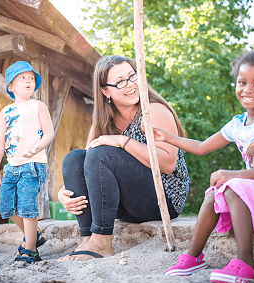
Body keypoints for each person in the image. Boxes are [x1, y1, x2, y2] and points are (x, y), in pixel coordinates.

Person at [153, 51, 254, 283]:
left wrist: (233, 175)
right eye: (242, 82)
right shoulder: (237, 124)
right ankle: (193, 256)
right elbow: (201, 146)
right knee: (214, 192)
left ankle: (246, 263)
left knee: (231, 184)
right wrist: (167, 137)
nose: (248, 89)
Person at [58, 55, 190, 261]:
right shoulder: (104, 120)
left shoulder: (153, 110)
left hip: (163, 198)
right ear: (105, 91)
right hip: (126, 203)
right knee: (74, 158)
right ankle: (87, 239)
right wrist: (63, 193)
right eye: (120, 82)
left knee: (101, 153)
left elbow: (168, 164)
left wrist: (123, 141)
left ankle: (102, 242)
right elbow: (85, 165)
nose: (130, 85)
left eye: (132, 76)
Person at [0, 61, 54, 264]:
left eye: (31, 78)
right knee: (6, 208)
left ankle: (31, 250)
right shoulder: (5, 112)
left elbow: (49, 133)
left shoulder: (38, 106)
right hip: (10, 168)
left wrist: (37, 147)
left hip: (33, 165)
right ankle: (35, 235)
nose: (28, 81)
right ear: (11, 86)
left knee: (26, 206)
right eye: (22, 78)